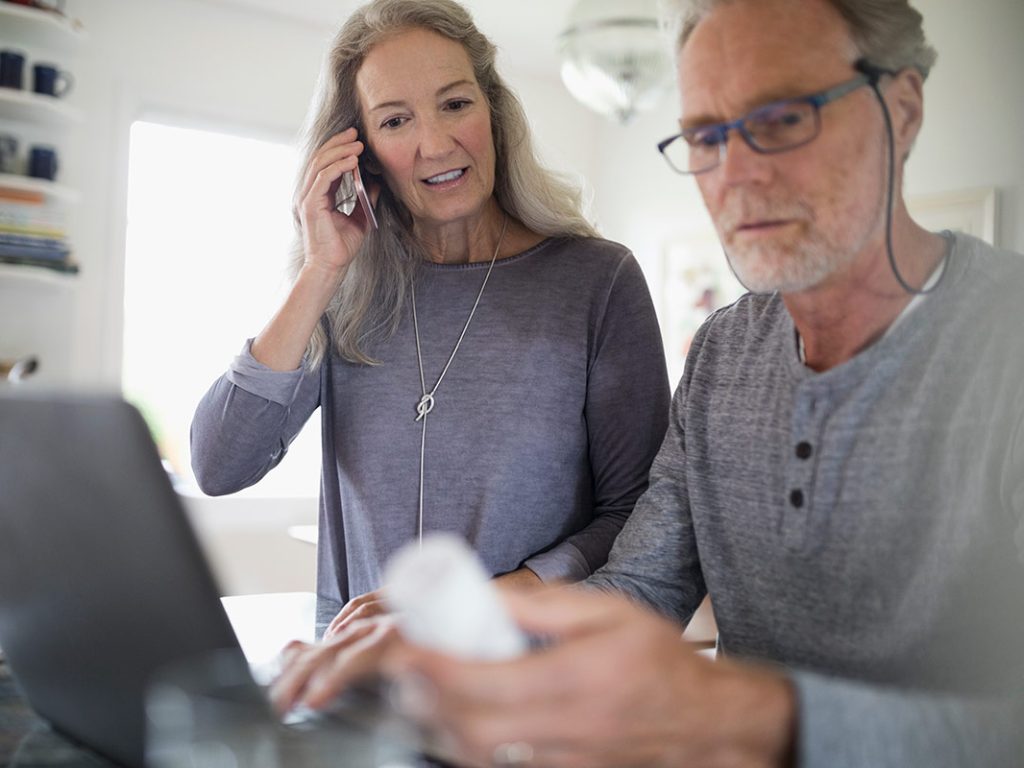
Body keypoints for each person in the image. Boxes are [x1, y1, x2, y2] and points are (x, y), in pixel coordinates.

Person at [270, 0, 1024, 765]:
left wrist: (746, 712)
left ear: (902, 110)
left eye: (784, 118)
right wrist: (443, 631)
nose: (736, 173)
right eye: (706, 135)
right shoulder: (726, 355)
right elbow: (643, 584)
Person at [190, 0, 669, 638]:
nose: (436, 145)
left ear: (493, 110)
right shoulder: (342, 291)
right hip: (368, 696)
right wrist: (320, 270)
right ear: (359, 153)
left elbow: (641, 515)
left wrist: (501, 597)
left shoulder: (597, 281)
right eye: (395, 120)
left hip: (531, 694)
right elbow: (220, 464)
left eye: (455, 104)